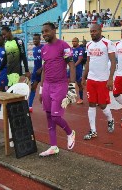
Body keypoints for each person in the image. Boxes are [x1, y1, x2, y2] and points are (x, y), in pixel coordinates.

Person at [38, 22, 76, 157]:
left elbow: (71, 66)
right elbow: (44, 70)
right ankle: (53, 146)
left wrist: (72, 87)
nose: (44, 34)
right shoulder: (43, 49)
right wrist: (41, 89)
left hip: (60, 85)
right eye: (43, 32)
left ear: (54, 31)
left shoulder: (64, 46)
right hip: (47, 85)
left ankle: (70, 133)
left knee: (55, 116)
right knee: (49, 116)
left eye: (47, 31)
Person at [82, 24, 116, 140]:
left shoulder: (108, 43)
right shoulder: (89, 44)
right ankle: (93, 131)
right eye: (91, 31)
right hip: (91, 79)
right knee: (91, 104)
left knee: (102, 105)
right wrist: (84, 77)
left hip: (103, 80)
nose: (92, 33)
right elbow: (88, 62)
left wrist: (110, 78)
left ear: (100, 31)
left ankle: (110, 119)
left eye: (95, 31)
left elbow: (113, 62)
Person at [28, 34, 44, 113]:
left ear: (39, 39)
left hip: (44, 72)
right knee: (33, 87)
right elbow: (36, 61)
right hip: (35, 71)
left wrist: (41, 69)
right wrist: (33, 71)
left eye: (36, 39)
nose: (34, 41)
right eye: (33, 39)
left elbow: (47, 60)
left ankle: (46, 105)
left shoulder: (43, 48)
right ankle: (30, 106)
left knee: (45, 89)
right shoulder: (34, 49)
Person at [70, 37, 84, 104]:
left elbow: (80, 59)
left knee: (79, 84)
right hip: (71, 68)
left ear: (78, 42)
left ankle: (81, 98)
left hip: (78, 68)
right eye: (72, 41)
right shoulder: (70, 49)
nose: (73, 42)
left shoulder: (80, 49)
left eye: (75, 41)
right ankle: (70, 97)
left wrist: (73, 66)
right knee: (70, 82)